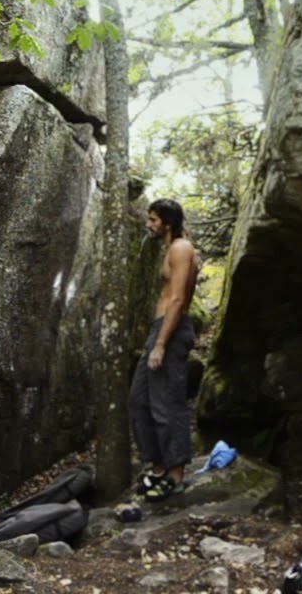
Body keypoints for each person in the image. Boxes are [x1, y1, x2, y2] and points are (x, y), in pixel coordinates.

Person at [129, 198, 201, 502]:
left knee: (167, 403)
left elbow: (178, 300)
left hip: (171, 331)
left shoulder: (181, 249)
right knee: (138, 400)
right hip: (161, 329)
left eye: (154, 220)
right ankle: (158, 465)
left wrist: (161, 344)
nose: (149, 224)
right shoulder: (172, 249)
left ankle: (175, 473)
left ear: (168, 223)